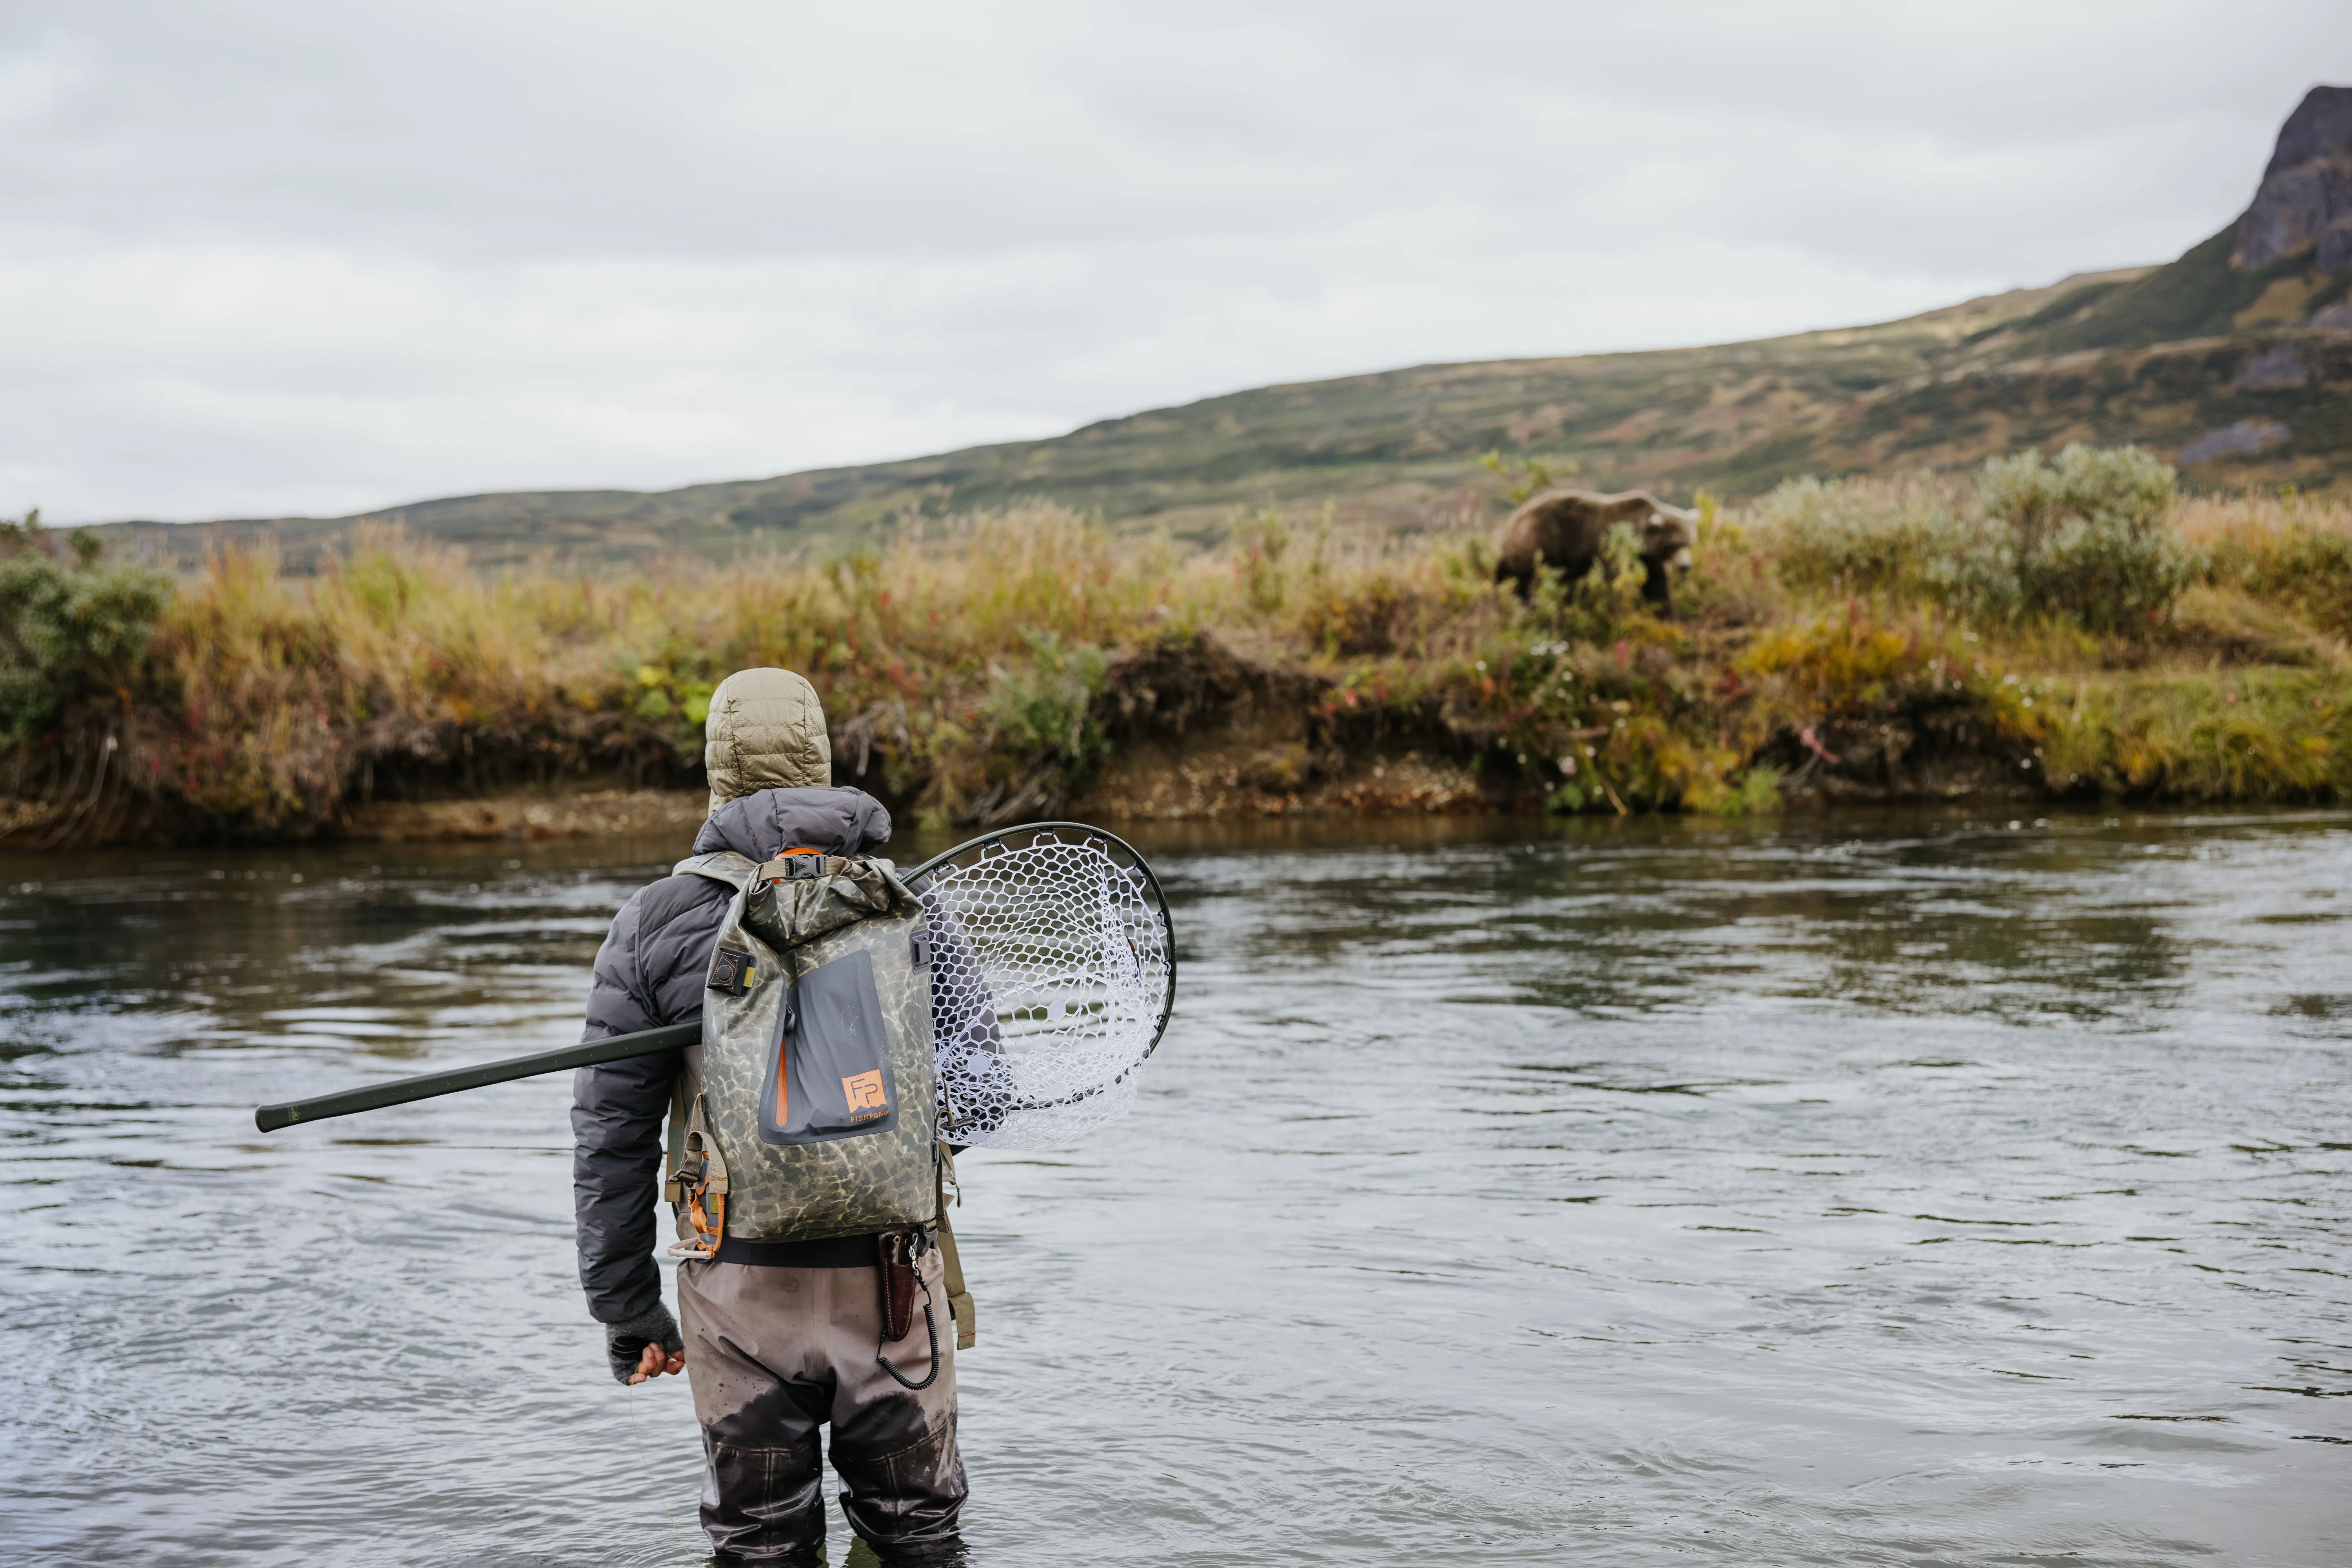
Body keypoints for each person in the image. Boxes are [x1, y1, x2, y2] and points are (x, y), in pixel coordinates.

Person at [572, 667, 966, 1566]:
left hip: (739, 1293)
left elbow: (613, 1140)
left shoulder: (654, 923)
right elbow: (984, 1090)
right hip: (895, 1288)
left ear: (716, 774)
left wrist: (627, 1308)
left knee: (759, 1545)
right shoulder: (910, 904)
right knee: (919, 1539)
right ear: (824, 759)